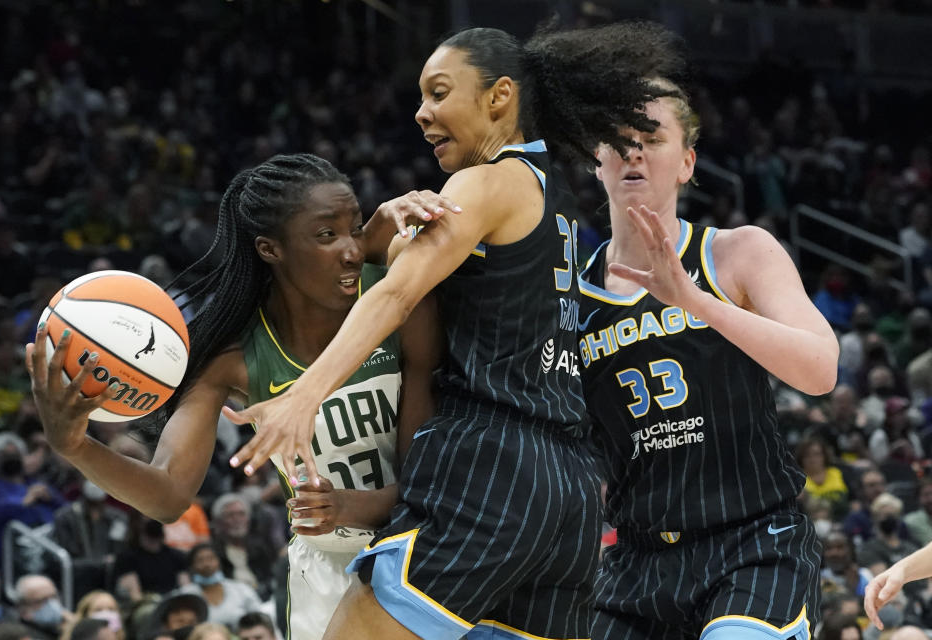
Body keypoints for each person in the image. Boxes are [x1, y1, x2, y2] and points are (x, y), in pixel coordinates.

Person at [225, 22, 681, 640]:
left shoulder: (485, 180)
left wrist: (306, 395)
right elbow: (385, 263)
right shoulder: (561, 205)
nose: (421, 113)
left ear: (499, 98)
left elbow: (395, 290)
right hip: (568, 495)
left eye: (438, 93)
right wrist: (385, 223)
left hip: (488, 466)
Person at [26, 153, 441, 640]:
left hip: (422, 541)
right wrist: (74, 445)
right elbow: (167, 496)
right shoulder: (236, 355)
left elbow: (428, 480)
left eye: (355, 228)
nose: (351, 250)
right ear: (270, 249)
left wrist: (352, 506)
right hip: (329, 564)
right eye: (327, 235)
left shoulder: (400, 302)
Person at [578, 71, 837, 638]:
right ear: (597, 159)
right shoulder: (567, 297)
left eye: (650, 137)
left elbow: (820, 370)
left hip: (753, 544)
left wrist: (696, 301)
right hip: (636, 562)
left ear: (688, 162)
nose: (633, 151)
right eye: (617, 139)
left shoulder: (739, 252)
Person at [180, 544, 260, 630]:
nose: (206, 564)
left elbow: (259, 618)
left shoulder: (241, 589)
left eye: (211, 559)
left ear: (219, 562)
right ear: (192, 566)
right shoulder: (186, 595)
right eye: (200, 560)